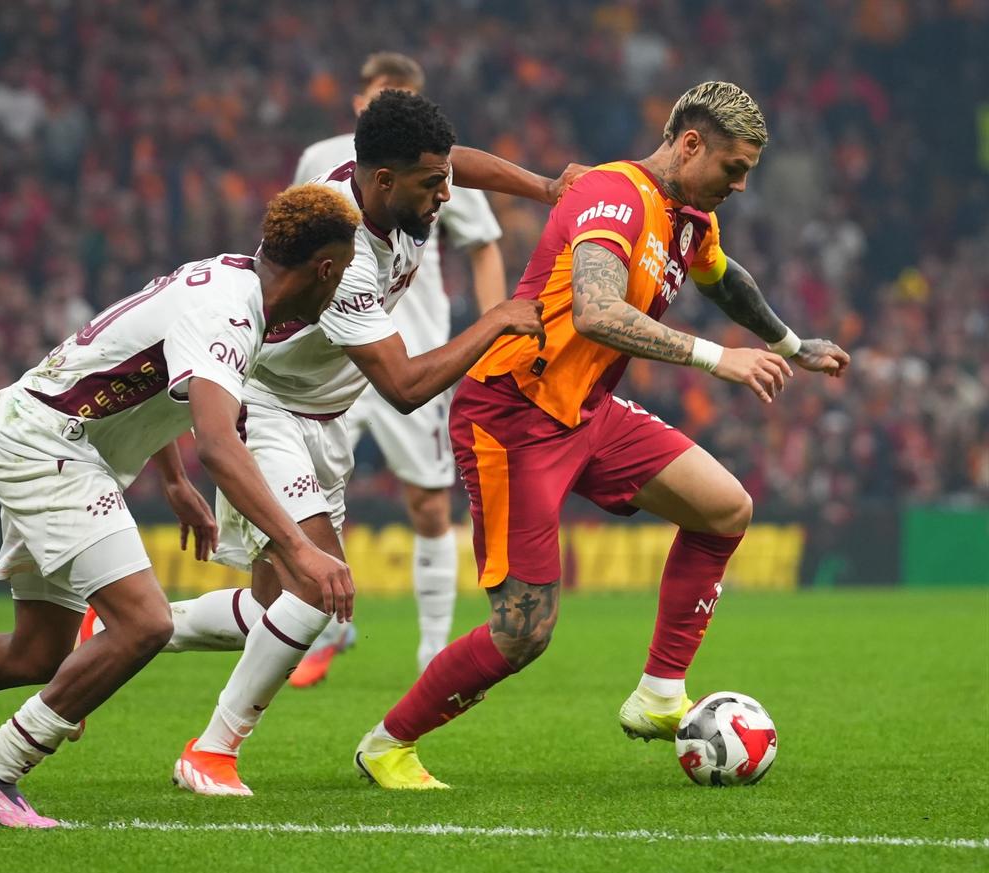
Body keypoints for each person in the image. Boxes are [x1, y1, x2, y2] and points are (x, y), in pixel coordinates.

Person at [0, 184, 361, 828]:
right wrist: (300, 549)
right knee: (145, 624)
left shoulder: (228, 283)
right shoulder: (231, 311)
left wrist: (171, 480)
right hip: (49, 444)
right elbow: (221, 446)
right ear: (326, 268)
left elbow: (148, 372)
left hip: (40, 430)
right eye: (347, 269)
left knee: (35, 652)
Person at [353, 81, 851, 790]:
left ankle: (657, 694)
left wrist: (791, 343)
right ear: (688, 144)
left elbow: (723, 279)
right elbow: (594, 311)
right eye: (732, 169)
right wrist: (720, 359)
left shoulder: (689, 218)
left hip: (587, 409)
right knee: (523, 631)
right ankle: (387, 744)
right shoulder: (616, 198)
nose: (739, 186)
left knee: (725, 508)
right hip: (512, 414)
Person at [162, 88, 558, 797]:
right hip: (264, 406)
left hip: (325, 418)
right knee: (319, 590)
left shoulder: (401, 187)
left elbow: (457, 161)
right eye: (431, 183)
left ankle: (129, 625)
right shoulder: (342, 253)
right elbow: (404, 386)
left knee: (269, 611)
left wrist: (545, 187)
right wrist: (495, 319)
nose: (445, 193)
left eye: (443, 179)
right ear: (383, 180)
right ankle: (211, 751)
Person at [288, 52, 507, 682]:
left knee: (429, 505)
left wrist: (492, 323)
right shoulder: (321, 162)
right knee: (308, 504)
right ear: (362, 103)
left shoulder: (431, 169)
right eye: (386, 95)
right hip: (332, 354)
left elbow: (483, 241)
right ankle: (327, 628)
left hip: (413, 352)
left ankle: (430, 650)